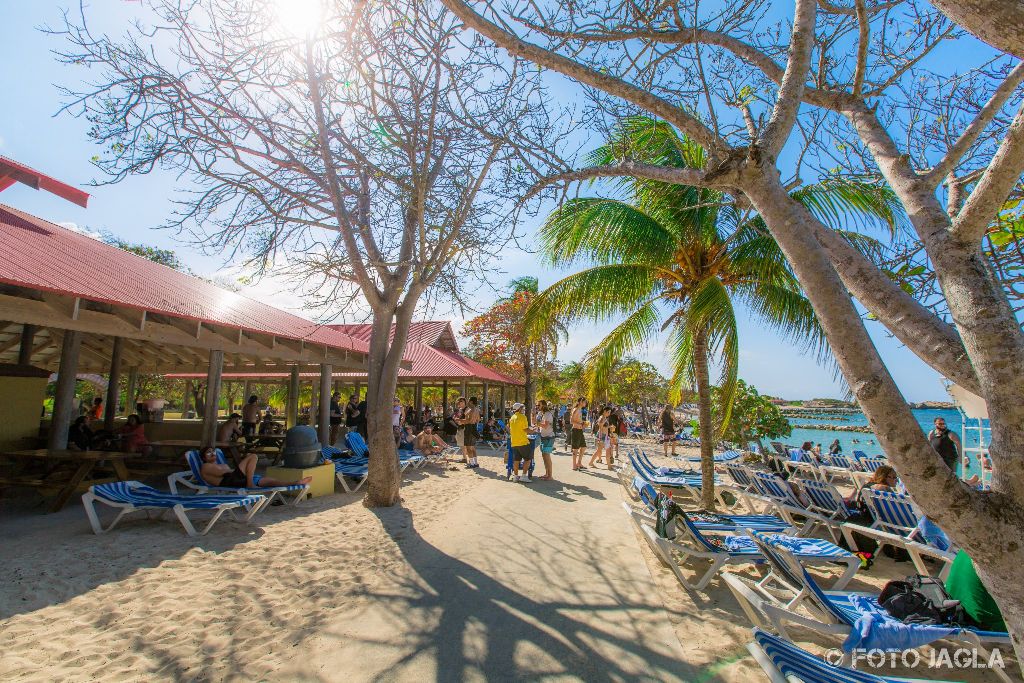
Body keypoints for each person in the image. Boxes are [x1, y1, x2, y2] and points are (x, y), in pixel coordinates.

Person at [198, 446, 311, 489]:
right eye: (209, 452)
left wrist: (244, 471)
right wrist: (243, 469)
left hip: (237, 479)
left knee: (270, 481)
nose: (212, 453)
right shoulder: (205, 466)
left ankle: (294, 483)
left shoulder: (221, 464)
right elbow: (223, 474)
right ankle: (250, 484)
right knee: (253, 456)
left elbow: (230, 471)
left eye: (213, 451)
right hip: (228, 481)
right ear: (203, 457)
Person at [508, 402, 533, 482]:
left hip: (514, 442)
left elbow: (510, 428)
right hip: (523, 442)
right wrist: (533, 430)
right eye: (522, 408)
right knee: (528, 459)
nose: (523, 409)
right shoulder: (522, 417)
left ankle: (515, 476)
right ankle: (524, 476)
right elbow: (526, 429)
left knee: (516, 460)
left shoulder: (512, 418)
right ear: (519, 409)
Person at [535, 399, 555, 480]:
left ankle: (550, 476)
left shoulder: (547, 414)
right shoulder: (542, 413)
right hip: (544, 437)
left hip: (548, 437)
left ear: (543, 405)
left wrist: (537, 423)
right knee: (544, 456)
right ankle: (547, 474)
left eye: (539, 405)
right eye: (537, 405)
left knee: (547, 456)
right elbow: (540, 424)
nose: (537, 406)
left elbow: (545, 426)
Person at [462, 397, 481, 469]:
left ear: (471, 402)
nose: (467, 402)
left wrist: (460, 420)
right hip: (474, 429)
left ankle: (472, 464)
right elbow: (478, 420)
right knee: (472, 447)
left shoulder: (471, 410)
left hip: (469, 429)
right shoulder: (477, 409)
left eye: (469, 400)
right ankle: (475, 463)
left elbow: (469, 421)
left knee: (468, 447)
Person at [570, 397, 588, 471]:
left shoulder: (580, 410)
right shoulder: (576, 409)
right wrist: (580, 424)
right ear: (580, 402)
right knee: (575, 449)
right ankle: (574, 465)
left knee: (583, 447)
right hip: (576, 430)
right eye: (584, 402)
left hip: (580, 430)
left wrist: (583, 423)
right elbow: (571, 421)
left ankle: (579, 463)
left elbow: (577, 420)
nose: (585, 403)